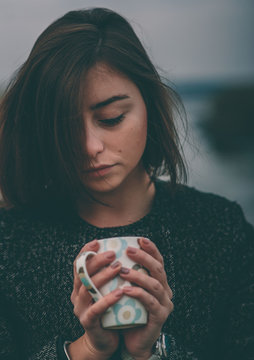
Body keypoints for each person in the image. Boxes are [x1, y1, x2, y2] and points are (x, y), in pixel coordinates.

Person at [0, 7, 253, 360]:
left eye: (111, 118)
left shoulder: (222, 230)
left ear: (149, 102)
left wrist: (154, 351)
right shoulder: (10, 243)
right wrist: (85, 350)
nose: (90, 146)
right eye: (66, 127)